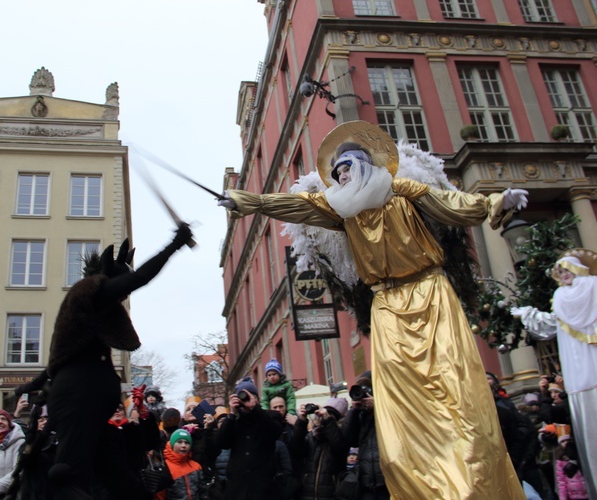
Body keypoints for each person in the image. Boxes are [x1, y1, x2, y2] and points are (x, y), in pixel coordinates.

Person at [218, 120, 526, 498]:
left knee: (454, 388)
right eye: (336, 174)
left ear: (365, 167)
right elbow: (294, 205)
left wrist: (495, 202)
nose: (341, 178)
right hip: (386, 305)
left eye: (346, 169)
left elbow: (451, 204)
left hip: (430, 293)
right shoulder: (341, 211)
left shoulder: (402, 191)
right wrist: (245, 201)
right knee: (401, 406)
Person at [43, 226, 193, 499]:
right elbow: (142, 277)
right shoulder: (90, 292)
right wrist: (175, 244)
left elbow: (59, 357)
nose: (124, 294)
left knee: (121, 480)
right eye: (121, 286)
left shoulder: (87, 311)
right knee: (71, 476)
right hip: (78, 401)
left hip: (89, 404)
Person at [512, 249, 597, 499]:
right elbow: (550, 324)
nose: (563, 275)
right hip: (578, 380)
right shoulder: (560, 297)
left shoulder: (592, 286)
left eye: (567, 269)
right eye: (559, 272)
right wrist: (528, 314)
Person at [215, 377, 281, 499]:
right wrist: (231, 415)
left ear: (257, 398)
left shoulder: (269, 416)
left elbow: (275, 432)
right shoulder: (234, 420)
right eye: (242, 396)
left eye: (250, 395)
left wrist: (255, 409)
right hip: (238, 487)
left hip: (263, 487)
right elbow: (221, 443)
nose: (246, 399)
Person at [339, 372, 388, 500]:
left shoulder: (387, 409)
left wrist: (378, 406)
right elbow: (349, 439)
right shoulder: (360, 416)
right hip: (366, 484)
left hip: (388, 481)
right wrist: (354, 410)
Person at [290, 398, 350, 500]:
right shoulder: (311, 437)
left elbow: (339, 448)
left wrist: (328, 420)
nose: (320, 417)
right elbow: (295, 448)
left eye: (329, 415)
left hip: (331, 495)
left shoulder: (341, 437)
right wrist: (301, 421)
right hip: (306, 494)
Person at [156, 429, 207, 500]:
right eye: (179, 442)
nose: (183, 445)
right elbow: (159, 496)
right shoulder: (165, 467)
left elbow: (203, 491)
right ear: (172, 444)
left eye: (187, 443)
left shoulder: (196, 466)